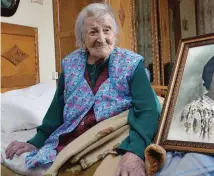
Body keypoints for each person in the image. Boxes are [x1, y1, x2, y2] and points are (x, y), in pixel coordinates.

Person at [5, 3, 160, 176]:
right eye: (93, 32)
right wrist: (36, 141)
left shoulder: (132, 64)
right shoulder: (70, 64)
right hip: (76, 137)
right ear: (82, 38)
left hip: (115, 135)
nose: (101, 38)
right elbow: (57, 110)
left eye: (107, 30)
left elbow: (148, 110)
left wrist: (135, 152)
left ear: (114, 34)